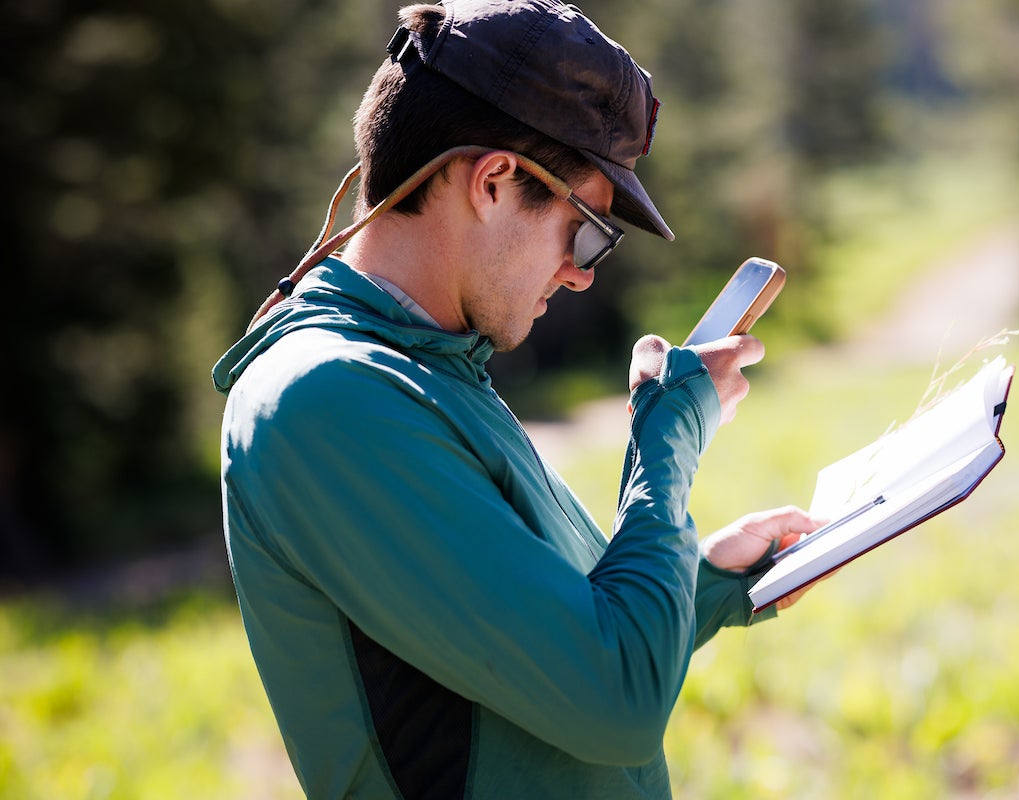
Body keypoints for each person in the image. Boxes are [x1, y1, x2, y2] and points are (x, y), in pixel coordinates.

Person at [212, 1, 823, 797]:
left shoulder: (425, 367)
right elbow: (614, 703)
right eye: (588, 232)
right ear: (495, 182)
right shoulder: (327, 401)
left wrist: (704, 587)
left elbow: (527, 653)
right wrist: (665, 439)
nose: (582, 273)